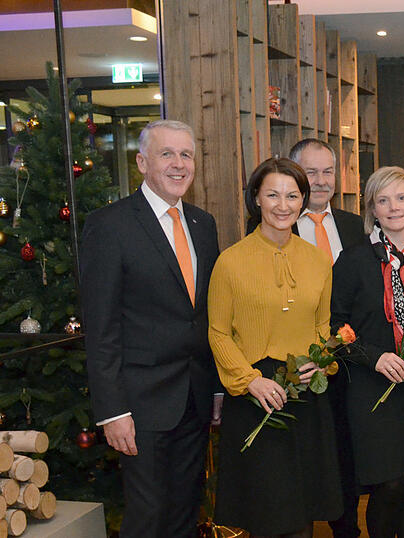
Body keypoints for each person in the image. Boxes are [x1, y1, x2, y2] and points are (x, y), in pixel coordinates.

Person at [80, 119, 221, 537]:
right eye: (167, 154)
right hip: (140, 405)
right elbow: (101, 328)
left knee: (184, 512)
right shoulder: (110, 226)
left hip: (194, 399)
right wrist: (113, 411)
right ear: (142, 162)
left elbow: (207, 315)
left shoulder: (203, 224)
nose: (179, 164)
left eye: (186, 155)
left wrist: (215, 387)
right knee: (147, 517)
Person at [208, 157, 343, 537]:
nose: (282, 205)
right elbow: (218, 333)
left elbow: (322, 325)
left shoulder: (318, 260)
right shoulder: (230, 262)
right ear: (256, 199)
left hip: (304, 393)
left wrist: (322, 363)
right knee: (267, 511)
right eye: (272, 195)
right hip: (256, 393)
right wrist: (250, 380)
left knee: (303, 511)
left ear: (303, 201)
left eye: (292, 195)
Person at [330, 166, 404, 538]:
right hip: (372, 388)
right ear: (372, 209)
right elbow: (335, 329)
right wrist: (375, 357)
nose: (394, 207)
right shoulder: (353, 261)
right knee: (389, 483)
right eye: (383, 200)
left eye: (402, 198)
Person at [289, 138, 364, 538]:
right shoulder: (276, 225)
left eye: (328, 171)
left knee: (344, 455)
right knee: (303, 454)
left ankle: (345, 528)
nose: (320, 181)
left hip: (349, 364)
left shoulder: (356, 226)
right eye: (310, 172)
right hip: (298, 364)